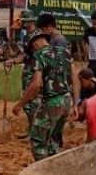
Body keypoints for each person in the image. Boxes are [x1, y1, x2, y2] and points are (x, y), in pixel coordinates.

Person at [12, 31, 72, 161]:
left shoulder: (40, 55)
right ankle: (55, 164)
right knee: (54, 138)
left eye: (33, 48)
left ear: (36, 43)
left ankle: (43, 170)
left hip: (52, 102)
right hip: (67, 100)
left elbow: (36, 84)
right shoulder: (64, 52)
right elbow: (75, 76)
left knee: (38, 139)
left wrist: (20, 104)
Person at [13, 9, 39, 139]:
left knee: (33, 102)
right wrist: (13, 61)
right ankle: (30, 130)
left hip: (36, 73)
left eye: (26, 21)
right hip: (27, 71)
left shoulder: (37, 36)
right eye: (23, 21)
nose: (24, 23)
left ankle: (34, 132)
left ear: (32, 21)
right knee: (28, 104)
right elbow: (24, 55)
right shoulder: (26, 36)